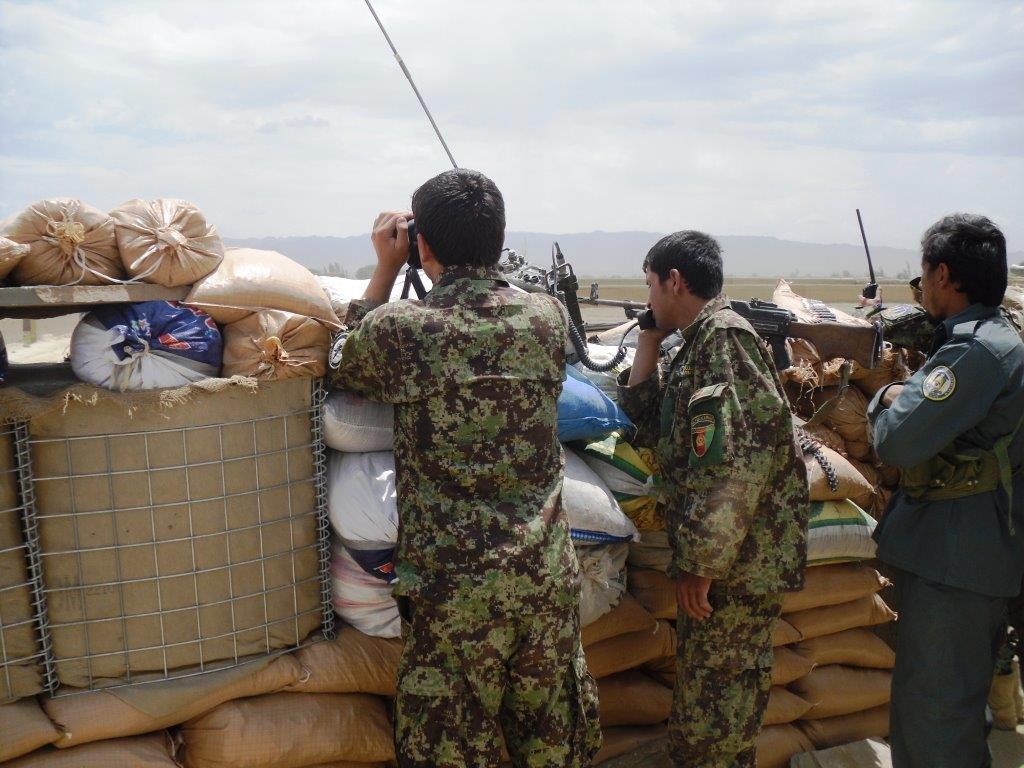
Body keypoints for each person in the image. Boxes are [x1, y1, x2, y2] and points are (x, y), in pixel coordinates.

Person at [329, 168, 601, 768]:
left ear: (421, 242)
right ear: (500, 239)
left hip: (454, 594)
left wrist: (383, 268)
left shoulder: (405, 330)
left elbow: (342, 359)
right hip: (544, 580)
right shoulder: (546, 318)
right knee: (555, 748)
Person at [616, 231, 809, 768]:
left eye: (651, 285)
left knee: (717, 713)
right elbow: (648, 426)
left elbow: (737, 466)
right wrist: (649, 341)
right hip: (727, 559)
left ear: (674, 281)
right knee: (708, 697)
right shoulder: (697, 343)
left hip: (737, 565)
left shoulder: (724, 340)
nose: (649, 297)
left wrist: (702, 564)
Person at [867, 213, 1024, 768]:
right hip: (964, 553)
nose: (923, 283)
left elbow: (897, 441)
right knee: (938, 716)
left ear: (945, 276)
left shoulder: (975, 352)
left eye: (925, 272)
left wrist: (884, 395)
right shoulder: (989, 340)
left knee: (936, 728)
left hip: (957, 562)